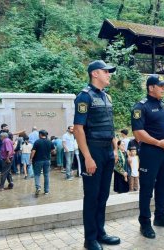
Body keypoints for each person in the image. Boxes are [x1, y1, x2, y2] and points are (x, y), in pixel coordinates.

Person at [73, 60, 120, 250]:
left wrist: (115, 149)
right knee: (91, 196)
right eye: (105, 71)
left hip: (108, 151)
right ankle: (90, 238)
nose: (109, 74)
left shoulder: (107, 97)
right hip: (93, 150)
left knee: (103, 195)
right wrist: (87, 157)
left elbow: (110, 126)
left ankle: (100, 232)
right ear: (95, 74)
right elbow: (78, 128)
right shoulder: (84, 97)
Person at [131, 74, 164, 239]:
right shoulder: (140, 107)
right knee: (146, 189)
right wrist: (159, 143)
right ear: (151, 88)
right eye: (161, 86)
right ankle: (145, 222)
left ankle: (160, 216)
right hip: (150, 153)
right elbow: (138, 133)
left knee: (163, 186)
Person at [30, 130, 55, 196]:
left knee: (37, 174)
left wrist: (30, 158)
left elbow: (33, 152)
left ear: (40, 134)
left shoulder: (37, 142)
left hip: (38, 161)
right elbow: (53, 151)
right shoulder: (49, 141)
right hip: (47, 160)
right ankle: (46, 191)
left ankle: (38, 187)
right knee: (46, 175)